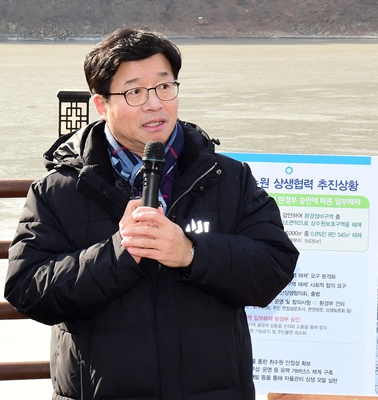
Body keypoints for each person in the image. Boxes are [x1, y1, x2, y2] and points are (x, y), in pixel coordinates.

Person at [4, 28, 299, 400]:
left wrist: (191, 253)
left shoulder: (228, 177)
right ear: (101, 104)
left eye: (164, 86)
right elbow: (27, 290)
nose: (155, 104)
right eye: (135, 92)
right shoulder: (58, 190)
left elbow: (275, 267)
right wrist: (119, 253)